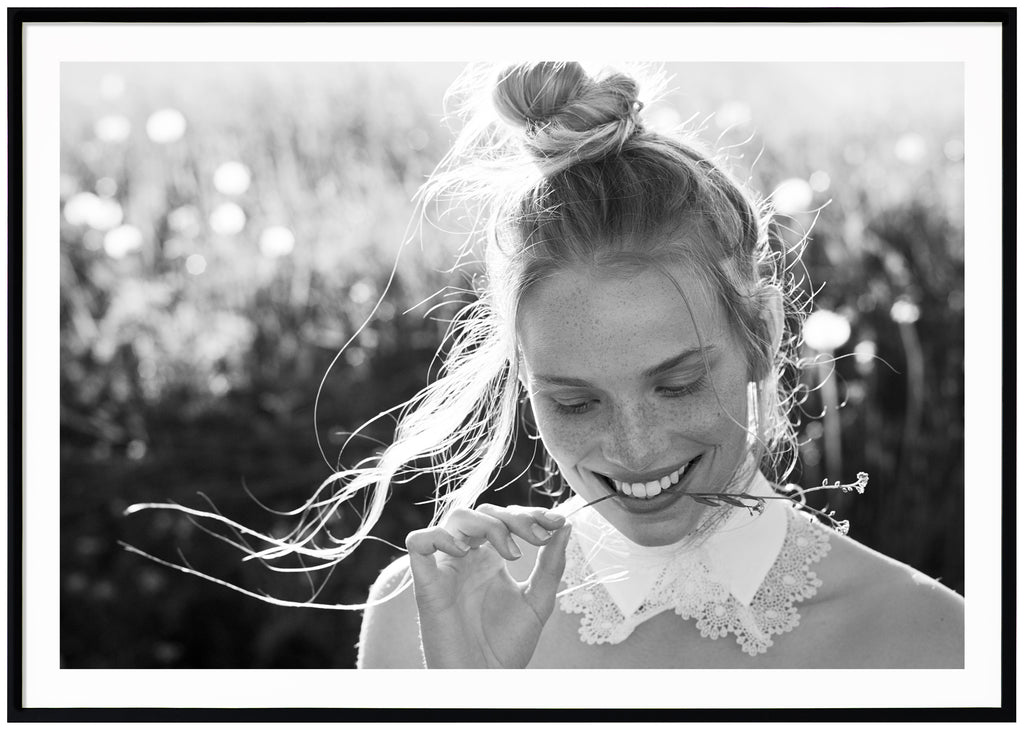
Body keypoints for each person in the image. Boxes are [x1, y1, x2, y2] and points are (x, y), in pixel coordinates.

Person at [352, 62, 963, 669]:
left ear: (764, 335)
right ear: (523, 377)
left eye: (677, 385)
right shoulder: (423, 616)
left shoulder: (935, 641)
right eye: (576, 402)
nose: (635, 450)